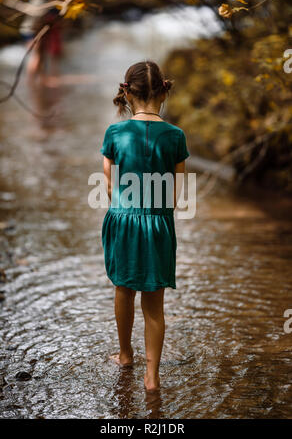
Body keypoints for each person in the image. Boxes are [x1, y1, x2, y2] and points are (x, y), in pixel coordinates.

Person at [100, 60, 190, 392]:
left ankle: (125, 355)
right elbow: (176, 196)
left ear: (127, 92)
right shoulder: (176, 136)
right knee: (154, 302)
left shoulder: (114, 133)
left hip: (123, 222)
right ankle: (152, 378)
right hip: (158, 226)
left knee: (123, 288)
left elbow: (110, 188)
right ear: (163, 93)